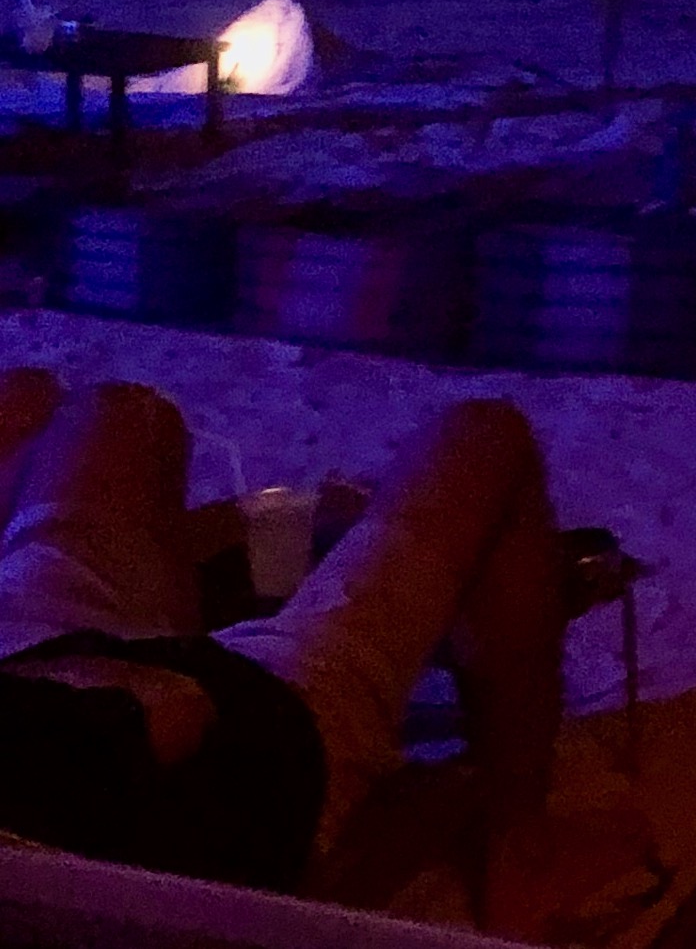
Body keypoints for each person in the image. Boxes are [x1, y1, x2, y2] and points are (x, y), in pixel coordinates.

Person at [0, 369, 637, 924]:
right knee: (488, 436)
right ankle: (522, 845)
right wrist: (69, 678)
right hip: (250, 741)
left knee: (117, 411)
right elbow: (171, 706)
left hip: (46, 669)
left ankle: (164, 600)